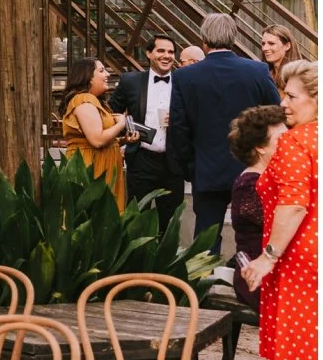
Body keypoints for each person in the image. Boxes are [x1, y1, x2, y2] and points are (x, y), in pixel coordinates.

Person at [241, 60, 318, 360]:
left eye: (291, 96)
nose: (283, 103)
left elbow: (294, 204)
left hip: (301, 266)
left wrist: (267, 257)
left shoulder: (295, 142)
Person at [168, 13, 281, 253]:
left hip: (206, 168)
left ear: (204, 39)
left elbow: (178, 127)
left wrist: (189, 167)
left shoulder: (184, 76)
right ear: (234, 37)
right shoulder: (257, 71)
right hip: (252, 168)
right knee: (253, 236)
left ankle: (203, 278)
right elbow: (277, 115)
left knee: (205, 240)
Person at [227, 105, 293, 360]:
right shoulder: (250, 183)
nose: (290, 142)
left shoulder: (280, 176)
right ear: (260, 148)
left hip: (279, 265)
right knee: (286, 310)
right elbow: (277, 230)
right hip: (253, 268)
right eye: (282, 138)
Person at [109, 34, 187, 231]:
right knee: (137, 220)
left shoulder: (184, 83)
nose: (167, 56)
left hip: (173, 163)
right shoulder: (130, 81)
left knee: (168, 224)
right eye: (161, 51)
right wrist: (127, 131)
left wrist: (178, 120)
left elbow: (197, 115)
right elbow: (110, 112)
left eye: (171, 52)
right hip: (141, 159)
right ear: (149, 53)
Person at [60, 57, 139, 210]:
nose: (107, 74)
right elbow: (97, 140)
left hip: (103, 164)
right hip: (93, 166)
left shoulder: (95, 101)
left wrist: (122, 140)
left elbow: (95, 137)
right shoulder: (84, 99)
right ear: (88, 76)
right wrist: (121, 123)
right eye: (102, 71)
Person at [260, 24, 300, 93]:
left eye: (271, 43)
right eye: (263, 44)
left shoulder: (298, 76)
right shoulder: (265, 74)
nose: (265, 48)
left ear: (287, 46)